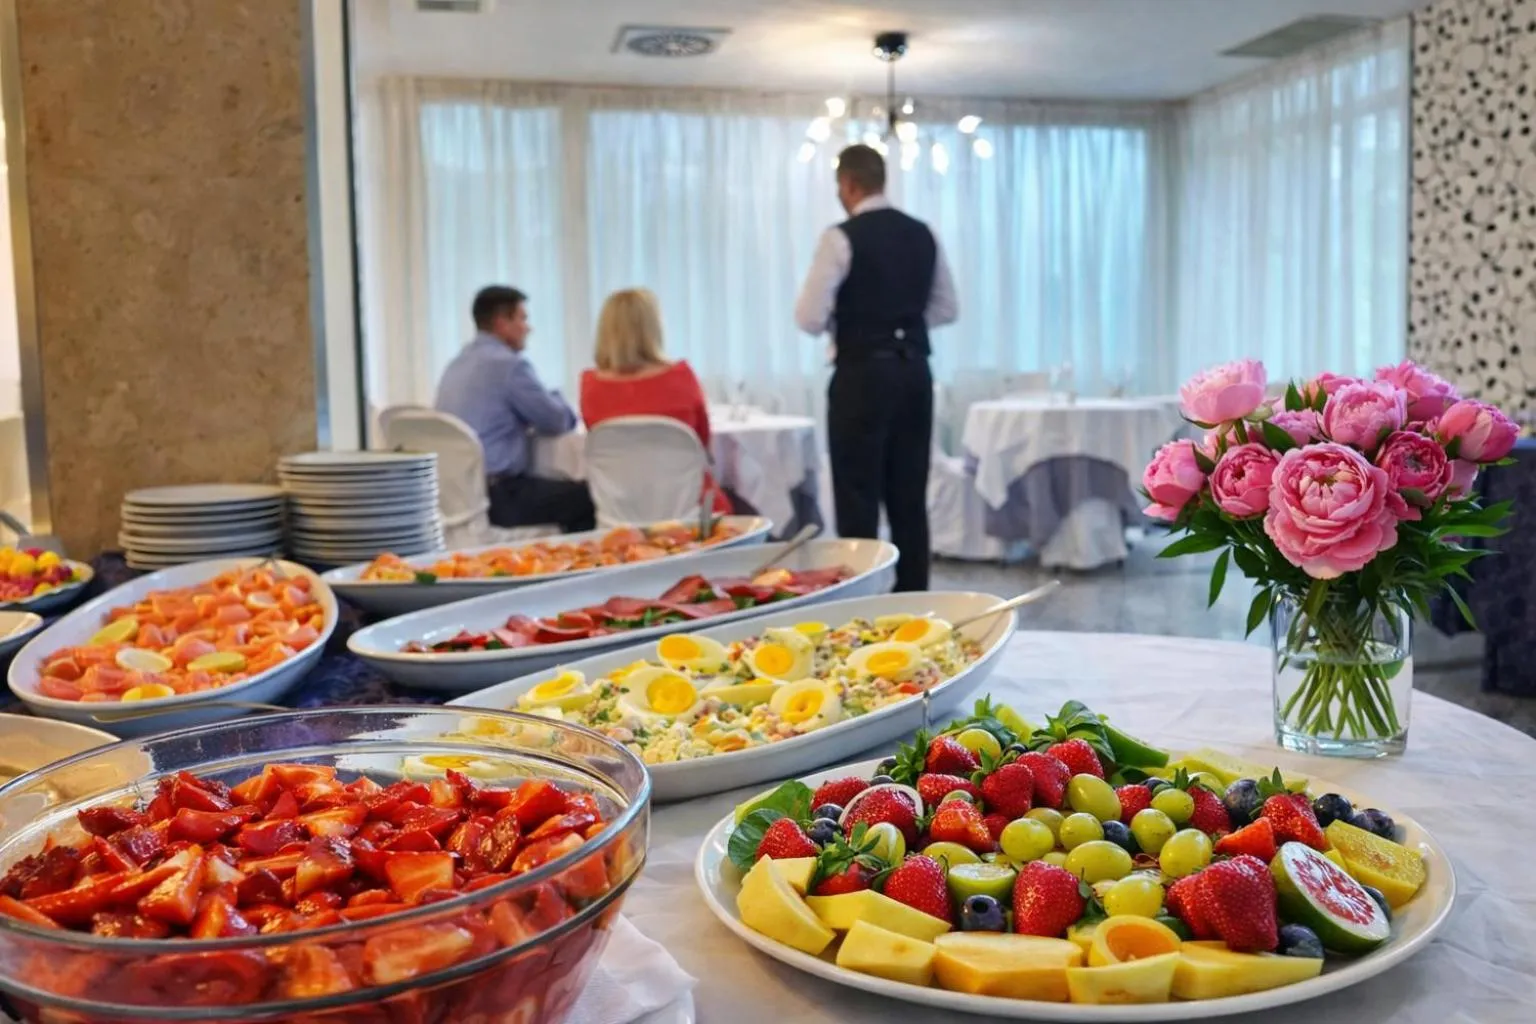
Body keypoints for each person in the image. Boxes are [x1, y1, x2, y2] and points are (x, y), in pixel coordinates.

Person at [794, 144, 958, 591]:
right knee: (909, 496)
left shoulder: (840, 237)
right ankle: (914, 602)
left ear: (848, 184)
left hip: (861, 375)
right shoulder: (923, 233)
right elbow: (947, 308)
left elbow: (808, 317)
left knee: (857, 496)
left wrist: (857, 322)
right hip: (914, 376)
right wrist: (900, 321)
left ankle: (862, 601)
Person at [435, 285, 595, 533]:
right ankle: (580, 570)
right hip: (499, 496)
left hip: (455, 498)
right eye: (522, 318)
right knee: (590, 497)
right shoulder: (510, 367)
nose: (528, 328)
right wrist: (557, 397)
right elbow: (557, 420)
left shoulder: (455, 365)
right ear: (502, 323)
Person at [578, 289, 730, 514]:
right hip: (689, 511)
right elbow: (702, 445)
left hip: (621, 511)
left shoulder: (590, 385)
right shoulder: (682, 376)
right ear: (653, 328)